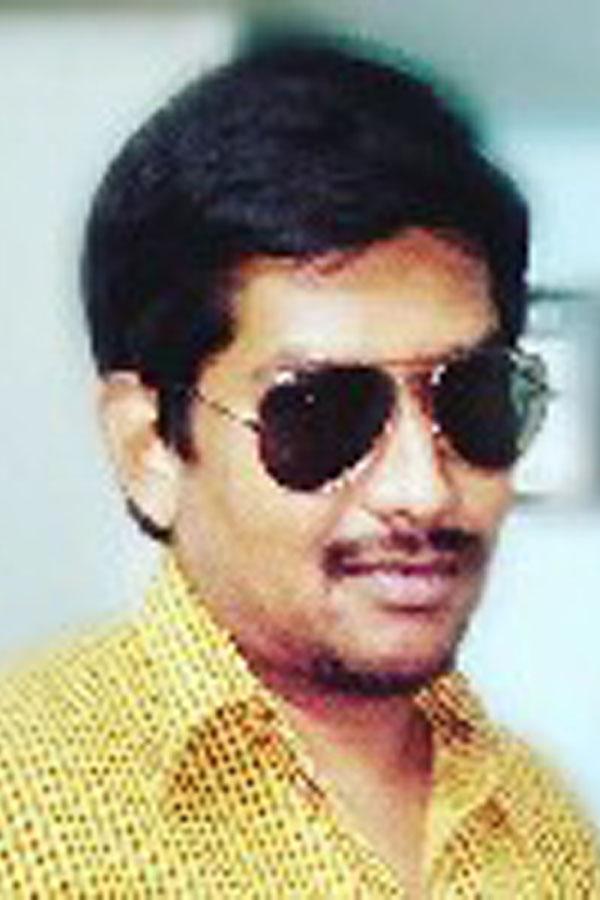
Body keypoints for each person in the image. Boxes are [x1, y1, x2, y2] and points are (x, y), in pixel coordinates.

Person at [0, 38, 598, 898]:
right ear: (150, 446)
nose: (422, 489)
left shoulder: (547, 828)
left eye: (472, 399)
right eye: (320, 414)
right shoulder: (22, 808)